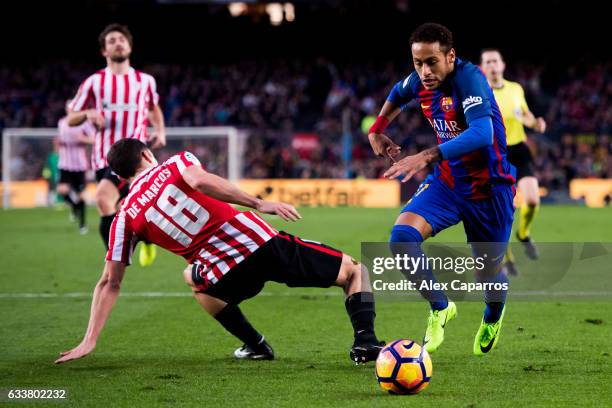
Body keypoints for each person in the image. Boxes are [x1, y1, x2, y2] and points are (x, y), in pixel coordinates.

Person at [55, 139, 383, 365]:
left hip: (223, 273)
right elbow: (200, 181)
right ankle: (365, 343)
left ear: (120, 176)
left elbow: (109, 283)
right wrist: (258, 202)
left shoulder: (123, 217)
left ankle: (256, 346)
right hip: (261, 245)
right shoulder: (176, 163)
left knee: (192, 277)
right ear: (145, 156)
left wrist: (90, 339)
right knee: (354, 271)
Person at [368, 23, 515, 356]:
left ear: (450, 56)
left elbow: (482, 133)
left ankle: (493, 315)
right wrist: (377, 129)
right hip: (449, 181)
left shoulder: (469, 79)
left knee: (488, 275)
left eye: (431, 62)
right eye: (417, 62)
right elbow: (397, 92)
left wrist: (426, 155)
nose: (424, 71)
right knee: (401, 239)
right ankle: (440, 306)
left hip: (490, 189)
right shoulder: (419, 80)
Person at [67, 23, 166, 265]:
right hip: (105, 157)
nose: (117, 43)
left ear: (129, 46)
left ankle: (120, 257)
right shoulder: (93, 82)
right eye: (111, 41)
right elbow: (71, 118)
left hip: (137, 155)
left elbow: (153, 109)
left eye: (121, 39)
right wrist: (89, 113)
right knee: (112, 203)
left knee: (112, 201)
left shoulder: (145, 81)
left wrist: (160, 131)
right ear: (104, 51)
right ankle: (124, 252)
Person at [481, 48, 547, 275]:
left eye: (495, 61)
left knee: (532, 200)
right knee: (502, 211)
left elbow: (525, 115)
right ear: (483, 67)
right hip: (495, 154)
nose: (492, 65)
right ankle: (507, 258)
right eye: (487, 62)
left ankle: (523, 234)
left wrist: (536, 123)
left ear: (502, 65)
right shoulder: (480, 92)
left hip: (519, 149)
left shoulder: (516, 88)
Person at [57, 100, 95, 234]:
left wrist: (83, 139)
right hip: (65, 163)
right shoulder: (61, 122)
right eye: (69, 108)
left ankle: (82, 224)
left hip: (79, 165)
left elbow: (95, 138)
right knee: (62, 190)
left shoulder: (84, 123)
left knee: (82, 196)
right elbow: (60, 139)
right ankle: (74, 207)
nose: (70, 110)